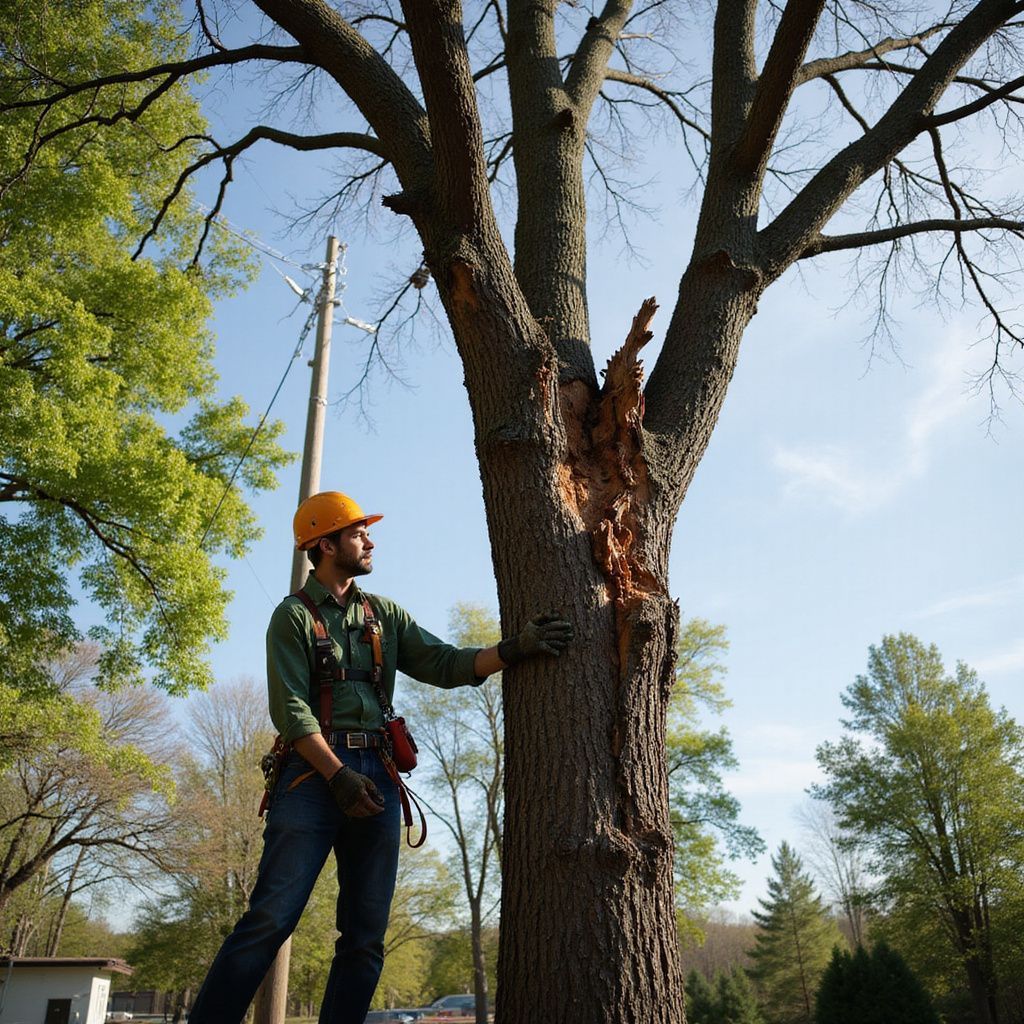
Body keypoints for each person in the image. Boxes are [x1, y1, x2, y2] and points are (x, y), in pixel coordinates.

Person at [188, 491, 572, 1024]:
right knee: (270, 920)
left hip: (378, 779)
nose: (369, 540)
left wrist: (513, 649)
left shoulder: (382, 615)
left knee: (365, 938)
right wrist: (337, 775)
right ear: (324, 545)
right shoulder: (292, 618)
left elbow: (443, 662)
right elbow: (292, 711)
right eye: (357, 532)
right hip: (312, 778)